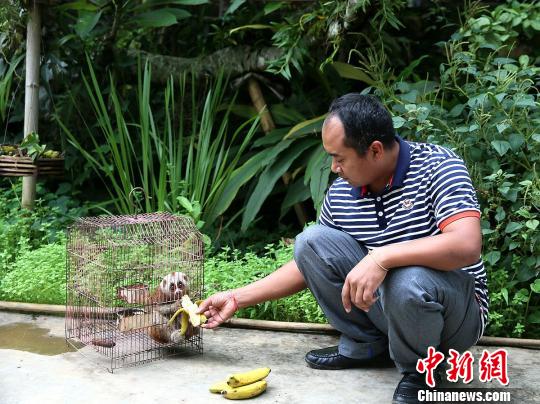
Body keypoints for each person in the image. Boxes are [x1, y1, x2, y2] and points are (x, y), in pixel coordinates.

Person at [197, 93, 488, 404]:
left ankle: (421, 372)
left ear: (375, 150)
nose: (334, 168)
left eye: (340, 158)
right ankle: (369, 346)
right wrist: (236, 297)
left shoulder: (439, 166)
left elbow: (466, 245)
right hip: (391, 308)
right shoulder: (342, 192)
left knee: (408, 278)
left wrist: (382, 257)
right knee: (311, 241)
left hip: (454, 315)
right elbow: (311, 263)